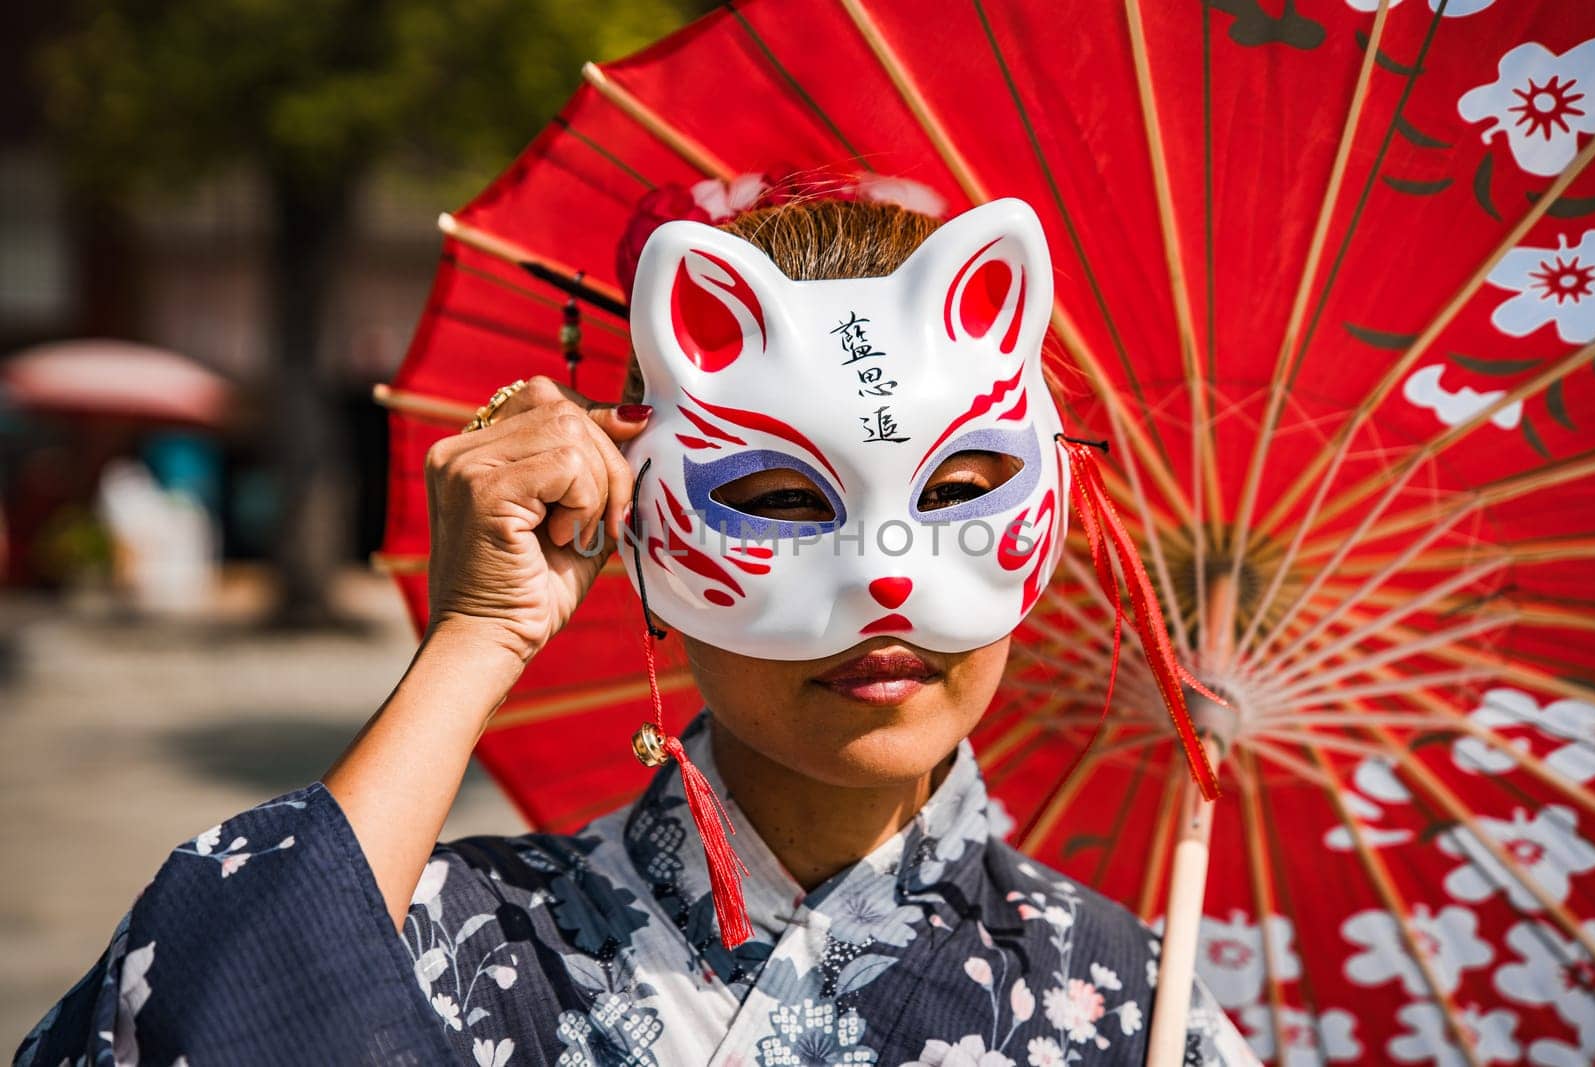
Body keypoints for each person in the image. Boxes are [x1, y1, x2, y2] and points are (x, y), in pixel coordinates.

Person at [16, 197, 1257, 1066]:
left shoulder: (1131, 1004)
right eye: (778, 501)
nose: (885, 576)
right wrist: (480, 637)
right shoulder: (459, 937)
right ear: (646, 531)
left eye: (956, 489)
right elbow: (195, 1021)